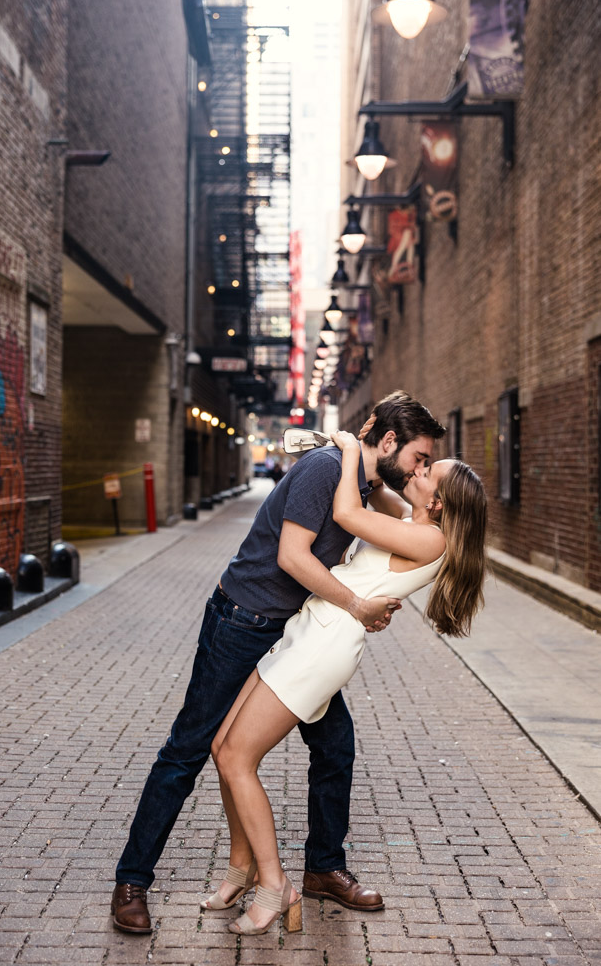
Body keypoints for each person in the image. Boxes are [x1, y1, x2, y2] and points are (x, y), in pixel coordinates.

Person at [111, 391, 446, 934]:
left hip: (292, 632)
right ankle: (132, 881)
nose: (422, 468)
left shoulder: (362, 481)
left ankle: (322, 869)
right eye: (418, 458)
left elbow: (404, 528)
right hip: (244, 623)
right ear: (388, 443)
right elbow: (293, 557)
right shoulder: (324, 470)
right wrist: (358, 604)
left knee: (334, 746)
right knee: (190, 749)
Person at [209, 430, 487, 935]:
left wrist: (352, 452)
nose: (418, 470)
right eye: (422, 461)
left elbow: (346, 515)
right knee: (220, 744)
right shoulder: (414, 522)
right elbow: (375, 491)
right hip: (311, 629)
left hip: (324, 647)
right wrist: (356, 457)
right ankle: (241, 868)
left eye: (428, 470)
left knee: (236, 757)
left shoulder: (430, 539)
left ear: (441, 501)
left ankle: (276, 888)